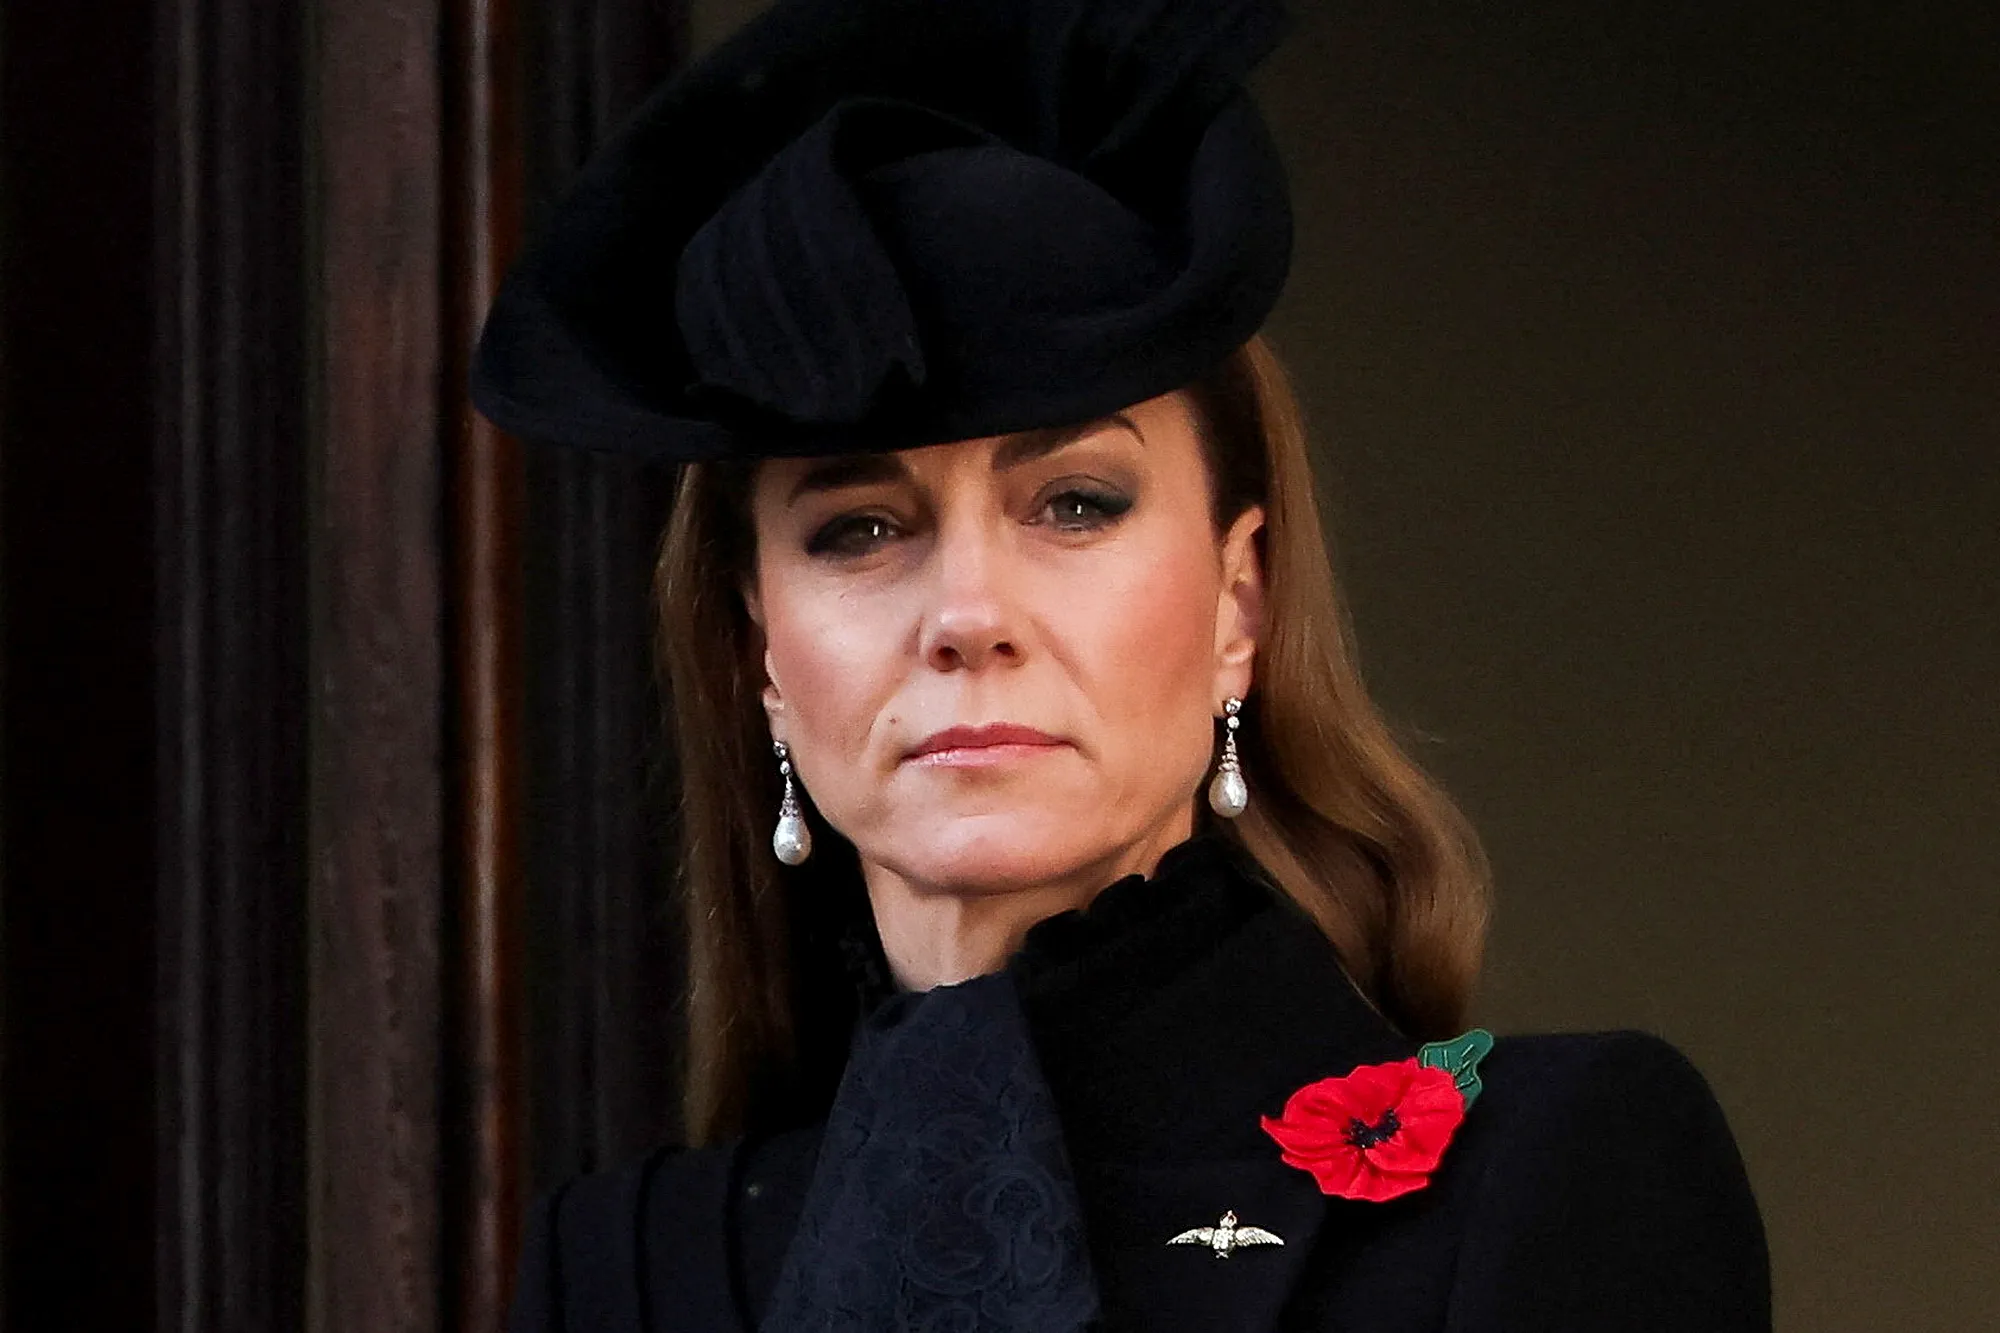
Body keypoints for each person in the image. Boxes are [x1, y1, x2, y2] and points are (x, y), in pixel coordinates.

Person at [470, 0, 1771, 1329]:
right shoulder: (631, 1266)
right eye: (861, 530)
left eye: (1076, 504)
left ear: (1238, 601)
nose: (968, 612)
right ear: (758, 649)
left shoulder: (1547, 1178)